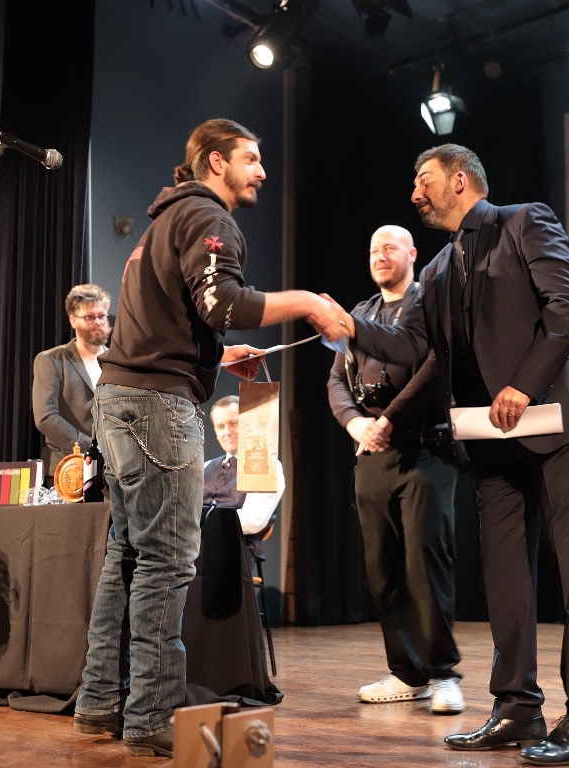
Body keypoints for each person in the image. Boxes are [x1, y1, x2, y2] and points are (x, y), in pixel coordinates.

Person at [315, 144, 569, 766]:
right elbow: (413, 346)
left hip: (556, 419)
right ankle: (517, 707)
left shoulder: (524, 221)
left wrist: (524, 384)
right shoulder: (438, 268)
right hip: (489, 436)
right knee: (505, 574)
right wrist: (351, 327)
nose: (414, 192)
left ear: (459, 179)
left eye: (423, 179)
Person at [72, 118, 332, 757]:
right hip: (157, 408)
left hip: (118, 399)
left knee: (126, 556)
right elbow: (225, 304)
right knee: (166, 561)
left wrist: (216, 354)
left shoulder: (163, 221)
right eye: (252, 158)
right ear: (216, 161)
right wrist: (309, 302)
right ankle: (152, 715)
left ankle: (100, 702)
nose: (262, 171)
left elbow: (178, 318)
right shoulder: (208, 217)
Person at [327, 224, 464, 714]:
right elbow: (336, 381)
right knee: (381, 569)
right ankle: (407, 673)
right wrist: (356, 424)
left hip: (424, 449)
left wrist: (388, 419)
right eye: (373, 249)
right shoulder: (360, 313)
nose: (379, 255)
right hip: (371, 452)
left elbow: (435, 366)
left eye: (389, 247)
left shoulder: (430, 301)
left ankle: (443, 673)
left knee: (425, 565)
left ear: (412, 253)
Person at [32, 284, 111, 484]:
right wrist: (92, 448)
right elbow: (46, 417)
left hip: (111, 473)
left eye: (102, 316)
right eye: (90, 317)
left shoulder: (117, 362)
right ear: (73, 320)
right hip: (67, 470)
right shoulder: (51, 360)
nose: (98, 322)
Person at [203, 394, 285, 575]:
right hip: (197, 547)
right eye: (220, 426)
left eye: (233, 423)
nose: (227, 432)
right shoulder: (205, 467)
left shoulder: (266, 465)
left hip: (235, 549)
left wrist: (201, 522)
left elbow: (254, 521)